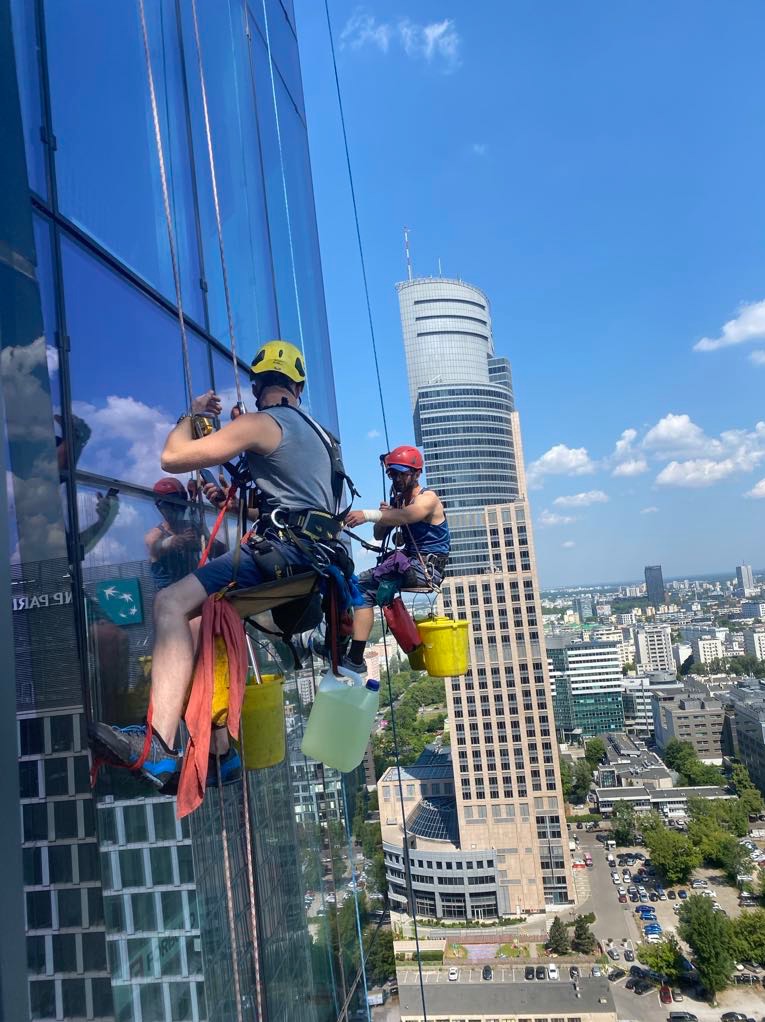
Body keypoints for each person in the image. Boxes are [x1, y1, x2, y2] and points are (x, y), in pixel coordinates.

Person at [89, 341, 342, 789]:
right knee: (193, 623)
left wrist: (190, 415)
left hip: (283, 552)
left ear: (258, 386)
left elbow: (173, 458)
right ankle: (221, 752)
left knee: (169, 603)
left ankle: (158, 747)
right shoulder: (322, 437)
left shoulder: (263, 423)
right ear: (298, 387)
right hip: (312, 561)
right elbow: (301, 504)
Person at [343, 445, 450, 673]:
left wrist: (370, 515)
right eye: (393, 474)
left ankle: (353, 656)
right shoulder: (399, 502)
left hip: (426, 569)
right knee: (362, 589)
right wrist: (386, 515)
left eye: (402, 474)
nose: (397, 479)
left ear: (417, 473)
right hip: (413, 565)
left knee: (362, 586)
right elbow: (378, 535)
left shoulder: (428, 498)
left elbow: (409, 515)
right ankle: (354, 656)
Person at [145, 476, 226, 590]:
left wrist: (204, 542)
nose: (177, 509)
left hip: (196, 589)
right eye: (171, 504)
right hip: (170, 594)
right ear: (160, 507)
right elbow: (155, 547)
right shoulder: (155, 535)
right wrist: (173, 541)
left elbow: (221, 551)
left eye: (180, 504)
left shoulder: (192, 527)